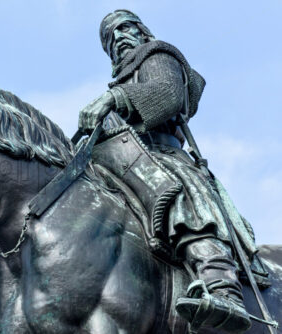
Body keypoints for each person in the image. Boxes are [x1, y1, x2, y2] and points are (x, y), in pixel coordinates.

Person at [78, 9, 257, 333]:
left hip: (161, 156)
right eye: (110, 38)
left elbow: (168, 94)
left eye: (124, 29)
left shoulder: (157, 54)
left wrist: (114, 98)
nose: (118, 38)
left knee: (174, 194)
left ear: (142, 31)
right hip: (120, 163)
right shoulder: (118, 85)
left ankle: (221, 285)